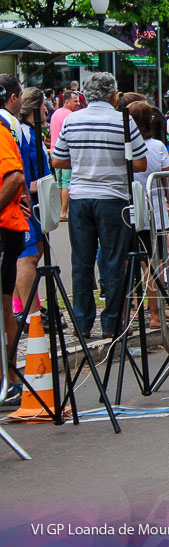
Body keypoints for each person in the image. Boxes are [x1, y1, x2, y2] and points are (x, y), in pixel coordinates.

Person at [51, 73, 148, 340]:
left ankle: (82, 323)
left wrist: (84, 164)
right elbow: (140, 164)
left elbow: (58, 160)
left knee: (81, 262)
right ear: (113, 95)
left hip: (80, 198)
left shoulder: (72, 120)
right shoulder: (123, 121)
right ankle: (111, 324)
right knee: (114, 261)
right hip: (113, 198)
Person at [127, 102, 169, 328]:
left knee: (133, 263)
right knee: (155, 265)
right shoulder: (157, 146)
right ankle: (156, 313)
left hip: (131, 212)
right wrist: (166, 195)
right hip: (155, 213)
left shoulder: (125, 147)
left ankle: (134, 308)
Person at [13, 88, 51, 328]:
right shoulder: (23, 133)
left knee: (36, 252)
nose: (47, 109)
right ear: (34, 107)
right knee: (26, 257)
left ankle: (24, 305)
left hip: (38, 202)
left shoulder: (34, 133)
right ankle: (29, 314)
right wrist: (30, 186)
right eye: (44, 105)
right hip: (28, 202)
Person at [0, 107, 27, 405]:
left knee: (3, 307)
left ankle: (9, 381)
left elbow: (16, 177)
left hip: (5, 231)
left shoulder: (0, 133)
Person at [49, 90, 80, 221]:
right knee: (67, 182)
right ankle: (63, 212)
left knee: (60, 182)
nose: (78, 103)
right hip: (65, 152)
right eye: (75, 101)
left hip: (54, 151)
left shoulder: (55, 113)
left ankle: (61, 210)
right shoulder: (70, 116)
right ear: (67, 102)